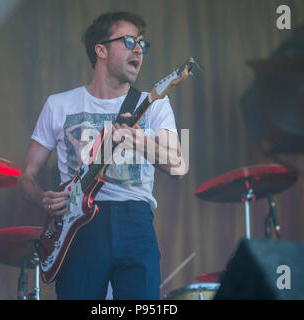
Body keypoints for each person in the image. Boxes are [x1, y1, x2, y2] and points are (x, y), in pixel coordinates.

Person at [17, 11, 186, 300]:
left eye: (142, 45)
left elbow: (179, 165)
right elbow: (27, 177)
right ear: (101, 49)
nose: (138, 50)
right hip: (78, 228)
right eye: (130, 41)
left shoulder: (154, 104)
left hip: (135, 221)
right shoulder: (59, 104)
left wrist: (138, 140)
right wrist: (43, 198)